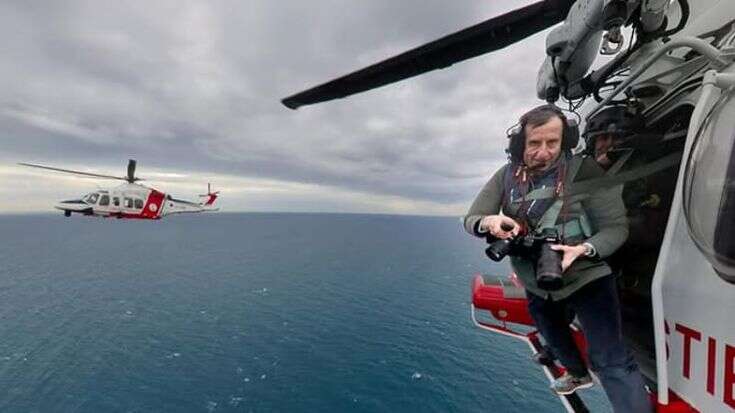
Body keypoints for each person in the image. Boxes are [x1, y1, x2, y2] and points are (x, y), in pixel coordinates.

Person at [464, 105, 652, 412]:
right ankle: (577, 373)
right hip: (535, 277)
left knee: (611, 360)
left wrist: (583, 249)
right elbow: (472, 217)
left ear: (565, 141)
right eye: (534, 143)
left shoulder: (586, 172)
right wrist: (489, 223)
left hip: (586, 276)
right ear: (519, 145)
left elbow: (616, 228)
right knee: (551, 331)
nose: (544, 152)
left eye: (552, 143)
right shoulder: (507, 176)